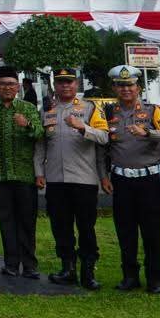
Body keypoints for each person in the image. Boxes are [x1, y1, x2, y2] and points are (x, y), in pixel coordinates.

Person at [101, 64, 160, 293]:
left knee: (151, 230)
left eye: (130, 85)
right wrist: (104, 176)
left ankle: (154, 278)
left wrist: (148, 132)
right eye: (121, 85)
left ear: (138, 87)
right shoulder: (108, 113)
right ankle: (130, 276)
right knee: (125, 230)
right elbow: (103, 148)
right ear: (114, 88)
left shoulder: (153, 111)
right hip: (121, 180)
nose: (126, 89)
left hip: (148, 180)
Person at [34, 66, 108, 290]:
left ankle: (88, 271)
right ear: (54, 86)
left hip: (84, 179)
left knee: (86, 227)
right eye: (61, 82)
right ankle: (67, 268)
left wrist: (83, 127)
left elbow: (104, 137)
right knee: (61, 226)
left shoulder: (90, 108)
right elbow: (40, 145)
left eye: (69, 82)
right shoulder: (47, 111)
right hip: (56, 179)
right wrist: (39, 172)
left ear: (77, 85)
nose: (65, 86)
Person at [0, 65, 44, 279]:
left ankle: (29, 265)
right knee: (6, 221)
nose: (7, 88)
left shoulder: (27, 108)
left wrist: (27, 124)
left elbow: (39, 133)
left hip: (24, 175)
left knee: (27, 221)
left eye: (11, 84)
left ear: (18, 86)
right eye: (2, 84)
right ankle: (11, 264)